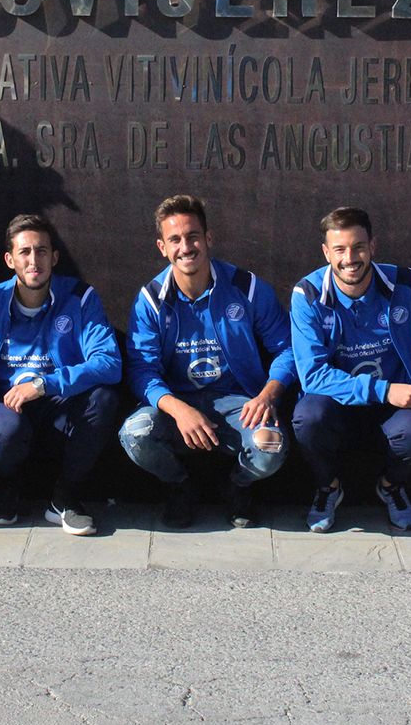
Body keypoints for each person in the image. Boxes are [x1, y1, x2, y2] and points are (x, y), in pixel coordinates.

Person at [120, 195, 295, 529]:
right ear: (162, 247)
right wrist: (177, 409)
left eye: (193, 236)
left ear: (208, 238)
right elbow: (142, 370)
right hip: (177, 404)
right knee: (135, 433)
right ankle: (181, 487)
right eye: (175, 240)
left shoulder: (248, 288)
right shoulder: (149, 300)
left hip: (239, 403)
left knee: (270, 447)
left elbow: (287, 349)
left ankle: (237, 487)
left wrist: (269, 394)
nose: (186, 247)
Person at [290, 207, 411, 533]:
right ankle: (328, 488)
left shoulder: (405, 284)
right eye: (339, 249)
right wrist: (382, 389)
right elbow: (311, 375)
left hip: (392, 406)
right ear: (326, 253)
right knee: (307, 418)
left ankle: (391, 486)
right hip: (338, 404)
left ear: (373, 246)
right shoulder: (308, 295)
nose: (350, 258)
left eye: (358, 247)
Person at [0, 214, 122, 535]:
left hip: (59, 400)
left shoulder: (80, 298)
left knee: (104, 398)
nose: (34, 260)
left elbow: (109, 362)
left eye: (42, 251)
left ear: (55, 257)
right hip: (8, 404)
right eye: (25, 252)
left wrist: (44, 384)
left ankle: (65, 497)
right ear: (10, 259)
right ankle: (7, 484)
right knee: (6, 430)